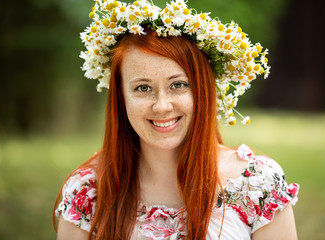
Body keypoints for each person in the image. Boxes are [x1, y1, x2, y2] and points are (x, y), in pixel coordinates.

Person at [53, 0, 300, 239]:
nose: (162, 106)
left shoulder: (257, 185)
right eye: (142, 88)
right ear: (121, 97)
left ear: (203, 90)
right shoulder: (88, 192)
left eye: (178, 85)